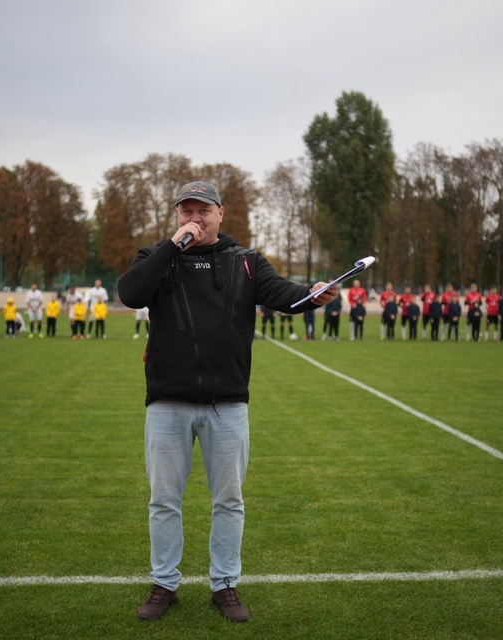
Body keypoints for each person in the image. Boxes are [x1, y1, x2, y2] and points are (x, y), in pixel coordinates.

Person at [116, 180, 339, 623]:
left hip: (228, 404)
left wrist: (316, 294)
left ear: (222, 213)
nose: (194, 219)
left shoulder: (246, 262)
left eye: (203, 210)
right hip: (168, 402)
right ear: (177, 216)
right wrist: (171, 247)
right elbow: (131, 294)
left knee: (229, 500)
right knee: (164, 500)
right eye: (186, 211)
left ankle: (225, 584)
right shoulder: (156, 259)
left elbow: (283, 295)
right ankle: (164, 584)